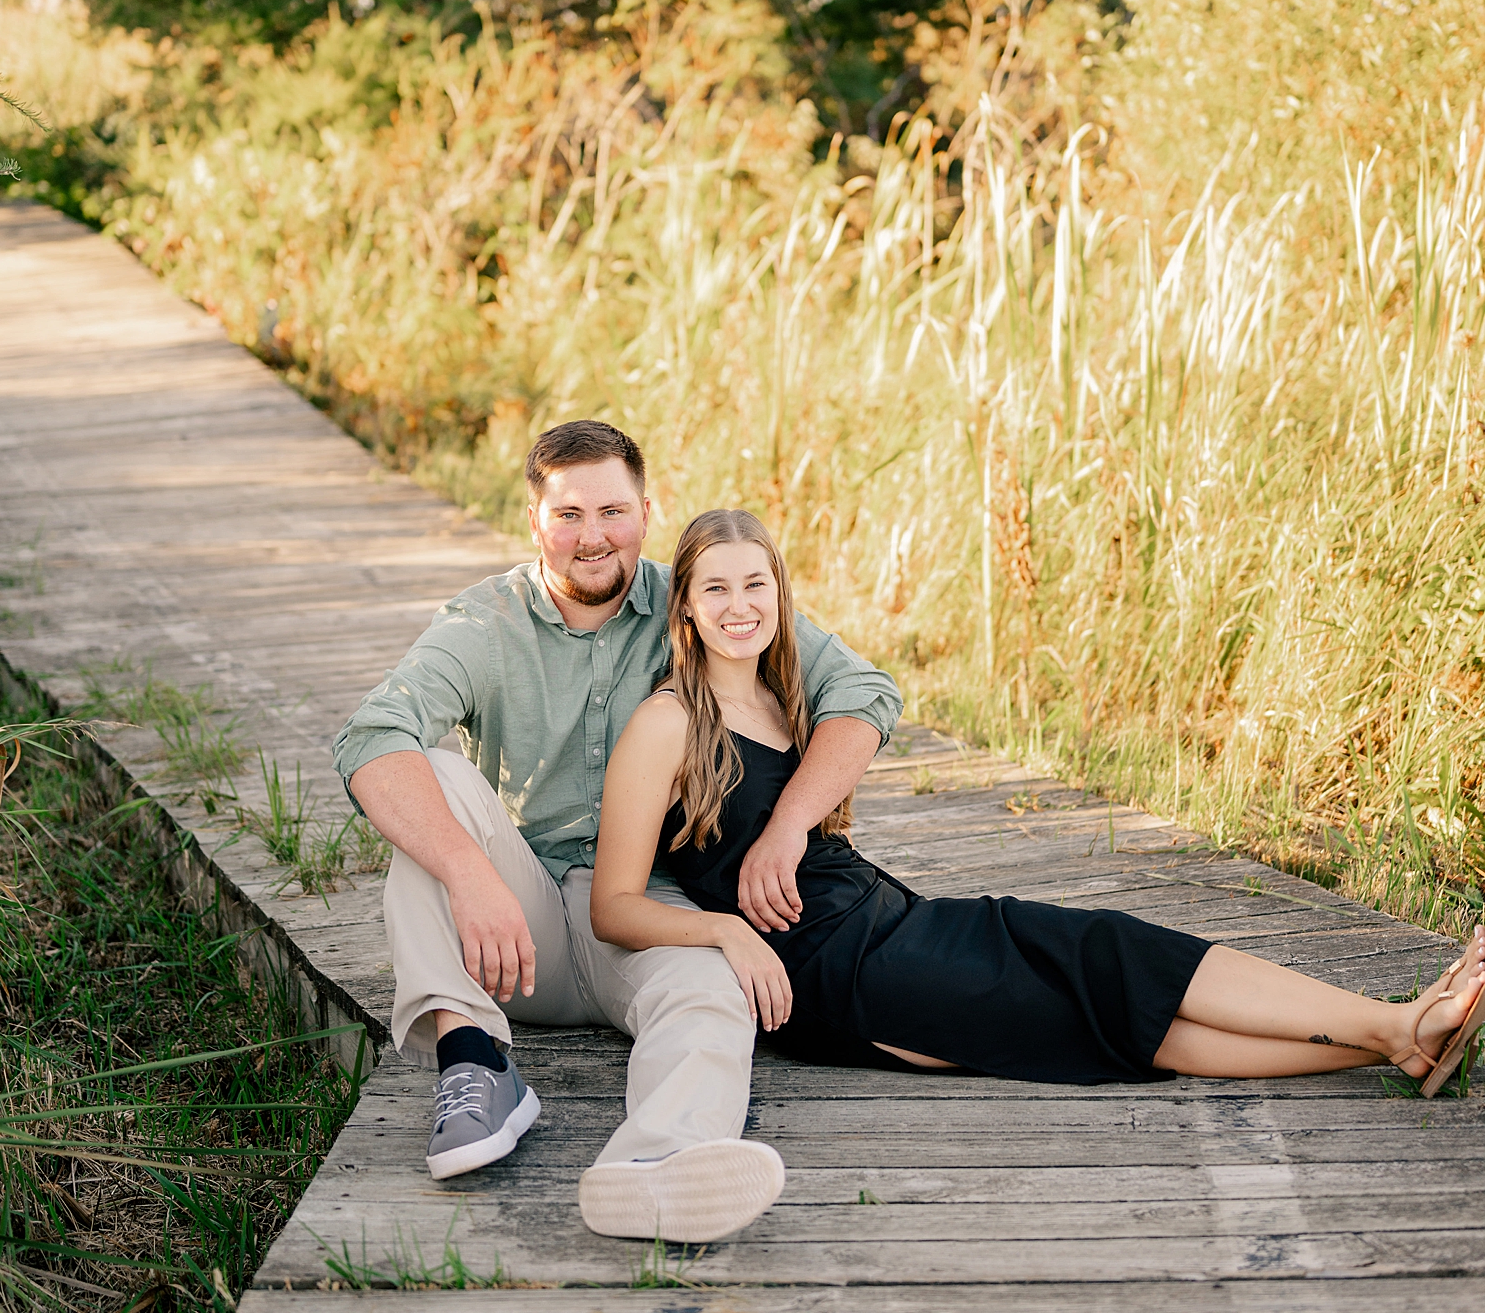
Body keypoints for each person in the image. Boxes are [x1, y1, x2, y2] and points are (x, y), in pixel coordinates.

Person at [591, 508, 1485, 1098]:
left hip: (898, 919)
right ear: (687, 609)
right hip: (841, 972)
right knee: (1104, 983)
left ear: (781, 598)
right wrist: (725, 930)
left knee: (1110, 979)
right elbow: (613, 906)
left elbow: (866, 707)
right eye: (716, 587)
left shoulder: (789, 700)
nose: (739, 605)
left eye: (757, 585)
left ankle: (1396, 1039)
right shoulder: (666, 725)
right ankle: (1399, 1023)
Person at [332, 422, 901, 1243]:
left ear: (645, 511)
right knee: (436, 774)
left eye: (612, 510)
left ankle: (655, 1169)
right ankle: (474, 1063)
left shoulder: (699, 603)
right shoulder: (485, 623)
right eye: (568, 514)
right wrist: (470, 873)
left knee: (715, 995)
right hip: (515, 926)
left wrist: (787, 824)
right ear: (535, 521)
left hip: (647, 913)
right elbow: (369, 736)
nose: (591, 536)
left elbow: (863, 691)